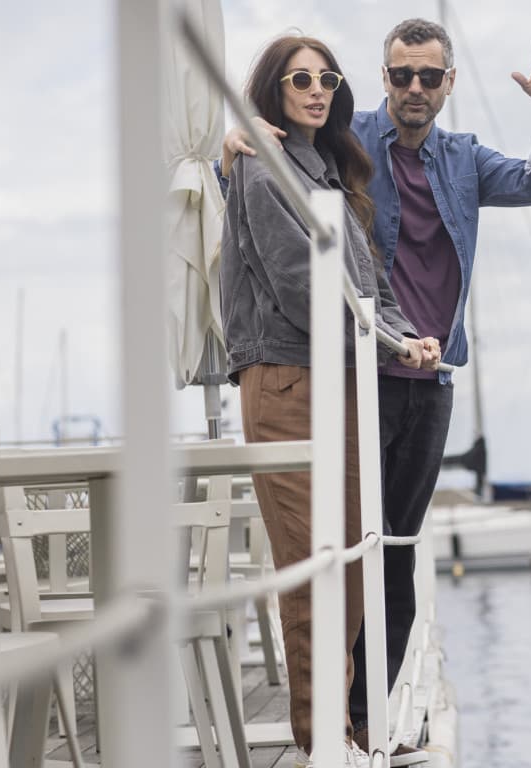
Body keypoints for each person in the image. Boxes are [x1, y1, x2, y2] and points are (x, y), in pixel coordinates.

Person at [221, 18, 531, 763]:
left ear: (448, 84)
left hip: (429, 375)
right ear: (382, 80)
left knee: (393, 553)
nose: (413, 89)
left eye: (428, 76)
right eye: (400, 75)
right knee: (345, 551)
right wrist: (237, 140)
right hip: (355, 376)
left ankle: (364, 716)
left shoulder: (460, 160)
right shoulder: (349, 145)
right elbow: (264, 183)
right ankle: (336, 726)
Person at [220, 33, 439, 767]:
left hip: (341, 379)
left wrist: (411, 336)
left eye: (325, 78)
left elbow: (366, 284)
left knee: (349, 562)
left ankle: (342, 734)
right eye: (299, 78)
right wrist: (386, 342)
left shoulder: (330, 169)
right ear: (274, 89)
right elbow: (297, 283)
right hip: (284, 380)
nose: (315, 89)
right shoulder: (261, 160)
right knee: (314, 570)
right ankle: (322, 744)